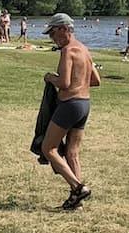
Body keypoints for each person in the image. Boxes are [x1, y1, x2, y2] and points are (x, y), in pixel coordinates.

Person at [38, 13, 100, 209]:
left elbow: (63, 83)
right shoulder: (84, 49)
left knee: (48, 148)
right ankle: (77, 202)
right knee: (72, 153)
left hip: (69, 105)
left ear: (65, 29)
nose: (52, 38)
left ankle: (77, 187)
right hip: (84, 104)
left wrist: (50, 77)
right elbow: (96, 80)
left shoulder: (68, 51)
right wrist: (79, 81)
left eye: (53, 33)